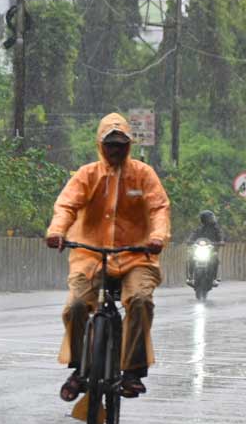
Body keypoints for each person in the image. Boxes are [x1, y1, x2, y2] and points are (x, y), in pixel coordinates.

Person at [46, 113, 170, 400]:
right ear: (100, 145)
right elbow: (66, 206)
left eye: (120, 144)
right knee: (76, 306)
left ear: (128, 146)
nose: (115, 150)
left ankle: (133, 371)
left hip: (137, 256)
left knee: (139, 300)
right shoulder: (87, 175)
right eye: (110, 144)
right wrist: (57, 232)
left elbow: (158, 208)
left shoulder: (143, 174)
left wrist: (157, 237)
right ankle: (79, 367)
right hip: (90, 254)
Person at [185, 210, 224, 284]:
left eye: (212, 218)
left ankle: (214, 278)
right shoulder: (200, 229)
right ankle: (190, 277)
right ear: (205, 219)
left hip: (212, 250)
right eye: (211, 218)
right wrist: (189, 240)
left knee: (215, 259)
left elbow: (220, 236)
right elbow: (193, 234)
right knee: (191, 257)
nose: (213, 219)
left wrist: (221, 241)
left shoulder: (216, 229)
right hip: (199, 249)